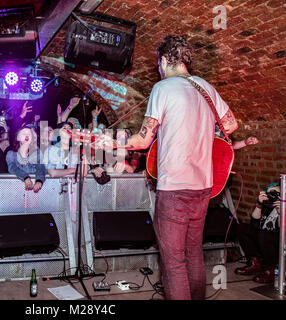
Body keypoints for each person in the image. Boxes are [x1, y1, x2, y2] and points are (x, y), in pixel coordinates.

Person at [125, 35, 238, 300]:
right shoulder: (206, 87)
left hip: (174, 188)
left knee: (174, 263)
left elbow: (143, 140)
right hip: (202, 188)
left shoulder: (162, 88)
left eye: (158, 64)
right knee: (194, 255)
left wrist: (116, 141)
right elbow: (230, 125)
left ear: (163, 60)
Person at [234, 183, 281, 283]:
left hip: (278, 245)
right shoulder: (267, 206)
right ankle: (255, 263)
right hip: (263, 241)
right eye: (269, 194)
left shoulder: (283, 207)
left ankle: (271, 270)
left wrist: (282, 211)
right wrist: (259, 205)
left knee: (264, 234)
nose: (272, 196)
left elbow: (282, 229)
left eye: (275, 193)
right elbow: (254, 224)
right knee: (242, 228)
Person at [6, 127, 46, 193]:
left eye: (30, 134)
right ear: (18, 137)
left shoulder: (37, 153)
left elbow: (40, 168)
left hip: (34, 191)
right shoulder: (11, 154)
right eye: (24, 133)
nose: (27, 135)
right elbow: (12, 168)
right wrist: (25, 177)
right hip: (15, 190)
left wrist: (39, 180)